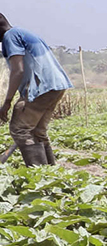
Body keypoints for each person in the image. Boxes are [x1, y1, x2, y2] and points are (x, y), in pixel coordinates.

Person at [0, 15, 72, 166]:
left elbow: (18, 70)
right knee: (37, 132)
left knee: (20, 129)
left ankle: (38, 175)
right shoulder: (21, 32)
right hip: (55, 85)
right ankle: (49, 173)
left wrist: (7, 102)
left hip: (41, 87)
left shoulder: (10, 36)